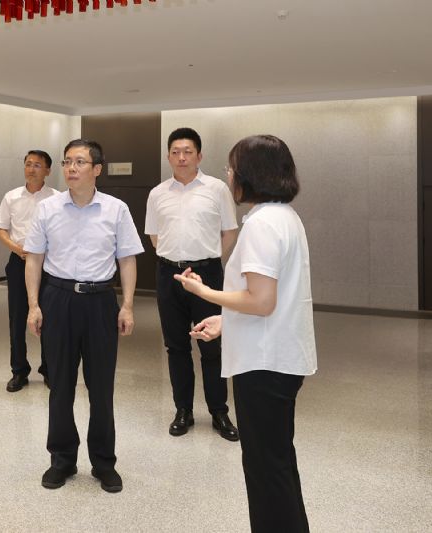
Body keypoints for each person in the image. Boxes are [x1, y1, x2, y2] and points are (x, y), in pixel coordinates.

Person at [175, 134, 317, 532]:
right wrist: (226, 320)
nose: (229, 174)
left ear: (250, 174)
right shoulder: (284, 216)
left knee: (266, 470)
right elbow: (272, 297)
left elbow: (262, 300)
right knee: (277, 464)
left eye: (232, 167)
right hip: (279, 356)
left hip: (264, 364)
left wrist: (204, 293)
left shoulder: (261, 225)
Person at [24, 139, 144, 493]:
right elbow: (34, 259)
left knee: (101, 387)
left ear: (97, 169)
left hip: (100, 302)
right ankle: (62, 460)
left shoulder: (116, 209)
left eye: (79, 162)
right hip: (58, 299)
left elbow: (127, 259)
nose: (71, 168)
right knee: (60, 386)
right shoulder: (47, 208)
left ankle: (104, 463)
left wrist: (127, 306)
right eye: (67, 162)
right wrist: (34, 305)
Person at [144, 127, 240, 441]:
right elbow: (155, 236)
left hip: (207, 275)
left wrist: (208, 260)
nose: (181, 157)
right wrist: (177, 260)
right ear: (168, 156)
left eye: (188, 152)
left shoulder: (217, 189)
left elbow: (229, 231)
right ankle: (183, 409)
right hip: (169, 275)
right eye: (175, 152)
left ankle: (219, 411)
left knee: (211, 346)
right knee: (176, 347)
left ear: (199, 155)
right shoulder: (157, 193)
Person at [0, 150, 57, 392]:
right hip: (19, 260)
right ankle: (19, 370)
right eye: (28, 164)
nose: (31, 169)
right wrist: (16, 248)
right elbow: (1, 229)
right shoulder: (11, 197)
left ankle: (49, 369)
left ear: (48, 171)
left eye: (37, 165)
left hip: (49, 264)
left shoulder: (57, 198)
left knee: (50, 317)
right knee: (17, 317)